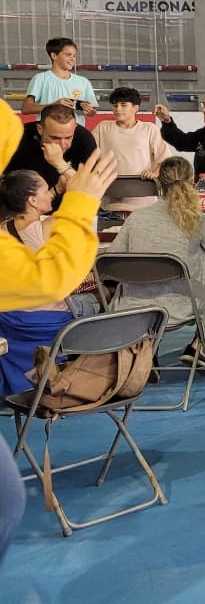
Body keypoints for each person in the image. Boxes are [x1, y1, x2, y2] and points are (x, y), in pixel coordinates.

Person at [0, 102, 116, 567]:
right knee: (99, 304)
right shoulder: (47, 230)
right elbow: (56, 279)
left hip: (17, 334)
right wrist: (78, 195)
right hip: (53, 331)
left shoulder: (11, 231)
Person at [109, 156, 205, 362]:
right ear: (193, 183)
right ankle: (200, 347)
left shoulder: (136, 219)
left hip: (134, 306)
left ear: (159, 183)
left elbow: (111, 263)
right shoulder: (200, 220)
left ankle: (146, 354)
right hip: (185, 306)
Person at [0, 170, 104, 396]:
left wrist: (59, 189)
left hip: (10, 320)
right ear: (32, 200)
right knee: (105, 296)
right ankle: (89, 371)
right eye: (46, 190)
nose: (51, 194)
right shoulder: (51, 227)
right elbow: (88, 194)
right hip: (51, 319)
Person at [92, 87, 168, 214]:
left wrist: (155, 172)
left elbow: (165, 159)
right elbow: (88, 155)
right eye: (115, 105)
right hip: (110, 200)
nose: (118, 109)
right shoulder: (102, 127)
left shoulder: (149, 129)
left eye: (123, 105)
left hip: (144, 199)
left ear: (135, 108)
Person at [2, 104, 99, 200]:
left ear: (75, 128)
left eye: (68, 137)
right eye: (55, 138)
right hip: (25, 203)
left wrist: (61, 165)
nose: (62, 144)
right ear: (40, 129)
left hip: (72, 202)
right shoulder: (18, 139)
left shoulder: (84, 139)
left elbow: (90, 192)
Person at [21, 37, 97, 120]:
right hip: (48, 128)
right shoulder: (40, 79)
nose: (73, 59)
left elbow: (92, 112)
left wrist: (89, 110)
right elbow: (26, 108)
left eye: (74, 56)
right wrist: (54, 106)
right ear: (54, 56)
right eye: (68, 55)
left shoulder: (83, 82)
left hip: (76, 128)